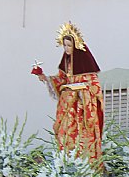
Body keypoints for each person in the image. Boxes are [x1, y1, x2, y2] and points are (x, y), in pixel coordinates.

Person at [36, 22, 103, 161]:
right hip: (67, 108)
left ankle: (85, 165)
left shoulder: (87, 67)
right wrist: (46, 79)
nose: (66, 48)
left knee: (82, 137)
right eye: (64, 45)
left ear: (76, 46)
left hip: (82, 109)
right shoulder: (66, 63)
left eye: (69, 45)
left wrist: (79, 91)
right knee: (64, 134)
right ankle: (66, 162)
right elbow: (60, 80)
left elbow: (95, 87)